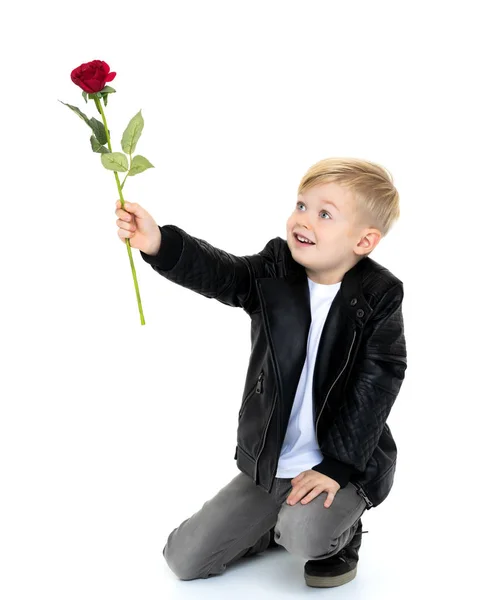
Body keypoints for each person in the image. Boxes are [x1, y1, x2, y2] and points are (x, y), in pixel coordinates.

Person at [114, 157, 407, 588]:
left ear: (364, 241)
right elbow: (224, 273)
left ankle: (340, 534)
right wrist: (160, 243)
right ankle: (274, 523)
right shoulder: (276, 268)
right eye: (301, 205)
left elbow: (378, 381)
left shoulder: (379, 295)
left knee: (306, 536)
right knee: (183, 559)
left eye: (324, 214)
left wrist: (338, 467)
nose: (303, 220)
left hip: (336, 464)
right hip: (273, 464)